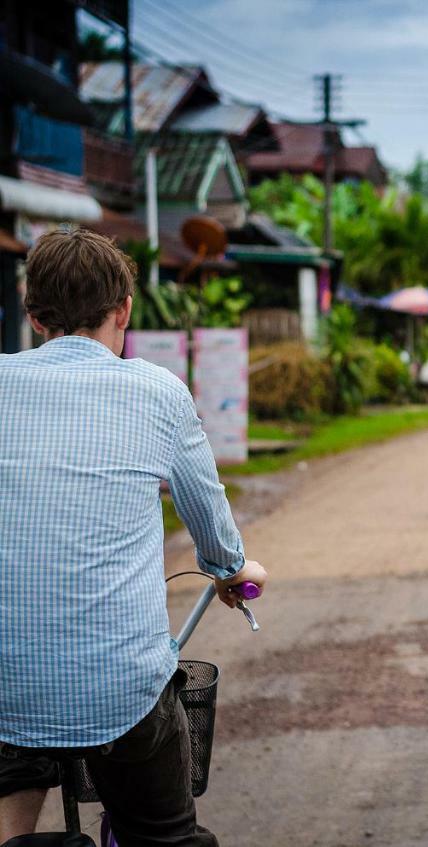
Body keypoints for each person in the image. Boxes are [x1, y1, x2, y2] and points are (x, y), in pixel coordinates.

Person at [0, 228, 268, 846]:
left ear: (34, 316)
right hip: (118, 687)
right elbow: (218, 540)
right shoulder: (157, 391)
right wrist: (233, 571)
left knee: (16, 729)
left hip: (9, 679)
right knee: (166, 835)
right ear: (123, 309)